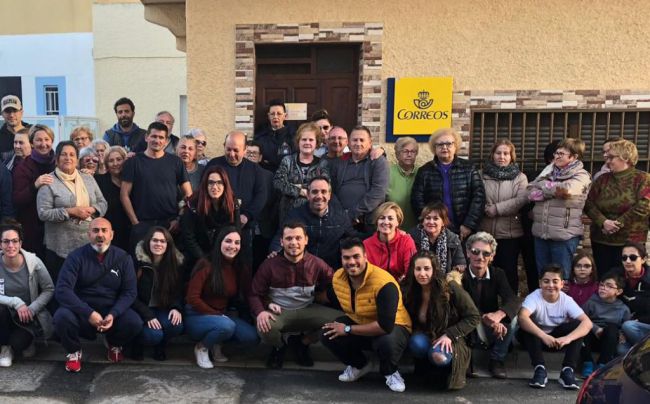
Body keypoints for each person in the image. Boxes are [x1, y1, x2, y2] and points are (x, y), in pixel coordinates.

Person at [322, 237, 413, 393]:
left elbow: (385, 326)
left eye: (356, 256)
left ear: (365, 257)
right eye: (346, 257)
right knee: (327, 333)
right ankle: (361, 365)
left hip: (394, 326)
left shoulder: (384, 283)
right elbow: (329, 297)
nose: (351, 262)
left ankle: (390, 372)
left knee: (386, 342)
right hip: (361, 320)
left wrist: (348, 329)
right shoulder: (338, 278)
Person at [53, 218, 141, 372]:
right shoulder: (76, 257)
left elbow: (130, 292)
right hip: (83, 311)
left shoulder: (123, 258)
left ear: (112, 235)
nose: (100, 235)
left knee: (134, 322)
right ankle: (73, 351)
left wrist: (114, 314)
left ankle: (114, 343)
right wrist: (89, 313)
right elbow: (62, 290)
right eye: (95, 231)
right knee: (62, 316)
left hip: (111, 312)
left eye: (104, 230)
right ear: (88, 235)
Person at [251, 222, 340, 369]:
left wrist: (326, 296)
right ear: (282, 241)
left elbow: (338, 282)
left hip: (307, 309)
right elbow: (254, 293)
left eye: (298, 238)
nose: (294, 243)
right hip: (280, 312)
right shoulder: (269, 265)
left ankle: (302, 343)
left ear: (306, 240)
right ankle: (279, 347)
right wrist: (261, 311)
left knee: (342, 321)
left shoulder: (316, 263)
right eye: (289, 238)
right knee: (264, 326)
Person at [401, 251, 479, 390]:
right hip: (426, 334)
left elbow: (473, 316)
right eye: (418, 269)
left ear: (434, 269)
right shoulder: (409, 289)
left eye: (427, 268)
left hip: (451, 336)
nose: (422, 273)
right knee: (415, 343)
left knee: (439, 357)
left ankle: (447, 372)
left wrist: (449, 334)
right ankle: (425, 369)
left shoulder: (450, 288)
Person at [185, 226, 259, 368]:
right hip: (196, 315)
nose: (232, 246)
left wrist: (260, 312)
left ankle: (216, 342)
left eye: (237, 243)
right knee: (226, 325)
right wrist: (217, 315)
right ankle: (202, 347)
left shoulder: (239, 267)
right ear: (219, 242)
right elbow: (192, 298)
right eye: (228, 241)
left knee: (251, 337)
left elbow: (249, 293)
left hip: (221, 315)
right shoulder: (206, 264)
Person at [37, 141, 107, 283]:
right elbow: (43, 213)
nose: (68, 158)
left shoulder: (88, 178)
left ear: (77, 159)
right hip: (59, 248)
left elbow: (103, 203)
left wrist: (93, 209)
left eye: (72, 155)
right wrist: (70, 211)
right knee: (62, 288)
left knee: (85, 286)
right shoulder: (48, 181)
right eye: (64, 154)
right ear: (56, 159)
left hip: (88, 245)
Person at [517, 264, 593, 390]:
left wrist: (567, 338)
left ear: (562, 284)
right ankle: (539, 369)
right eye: (546, 281)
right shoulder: (534, 297)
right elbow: (522, 317)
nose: (551, 285)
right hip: (536, 340)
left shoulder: (567, 300)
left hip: (558, 341)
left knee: (578, 327)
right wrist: (544, 336)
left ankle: (567, 371)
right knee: (527, 324)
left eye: (555, 281)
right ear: (540, 283)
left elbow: (587, 323)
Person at [120, 121, 191, 252]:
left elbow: (188, 194)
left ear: (166, 141)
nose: (157, 140)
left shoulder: (176, 162)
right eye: (154, 136)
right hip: (142, 224)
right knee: (142, 267)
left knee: (168, 267)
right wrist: (135, 223)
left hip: (170, 225)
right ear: (146, 137)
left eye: (161, 137)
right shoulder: (133, 162)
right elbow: (124, 195)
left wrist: (179, 219)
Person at [585, 139, 650, 277]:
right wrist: (604, 222)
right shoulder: (602, 179)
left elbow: (644, 205)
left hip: (630, 242)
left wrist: (617, 224)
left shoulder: (643, 178)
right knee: (605, 278)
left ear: (625, 157)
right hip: (601, 240)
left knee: (629, 278)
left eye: (611, 157)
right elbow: (589, 203)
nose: (607, 161)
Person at [528, 138, 591, 280]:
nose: (557, 156)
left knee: (561, 277)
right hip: (541, 233)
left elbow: (566, 191)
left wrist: (543, 189)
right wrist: (551, 189)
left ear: (573, 157)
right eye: (556, 153)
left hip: (564, 235)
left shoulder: (581, 175)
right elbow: (530, 191)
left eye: (562, 154)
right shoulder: (548, 172)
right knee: (543, 276)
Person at [461, 232, 519, 379]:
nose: (480, 257)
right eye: (475, 252)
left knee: (514, 319)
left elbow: (512, 299)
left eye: (486, 253)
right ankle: (466, 358)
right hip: (468, 322)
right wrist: (483, 317)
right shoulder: (460, 275)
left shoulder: (497, 274)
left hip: (491, 325)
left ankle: (496, 360)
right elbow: (460, 305)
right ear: (468, 253)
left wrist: (499, 315)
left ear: (492, 257)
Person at [206, 131, 268, 267]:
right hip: (217, 225)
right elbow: (205, 191)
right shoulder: (213, 165)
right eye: (228, 149)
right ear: (224, 146)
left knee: (243, 266)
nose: (232, 154)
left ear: (245, 150)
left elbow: (261, 196)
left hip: (244, 227)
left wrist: (247, 215)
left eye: (236, 150)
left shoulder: (255, 170)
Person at [411, 128, 485, 241]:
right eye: (440, 144)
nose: (444, 147)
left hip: (463, 230)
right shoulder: (425, 171)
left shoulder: (469, 168)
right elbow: (417, 200)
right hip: (434, 231)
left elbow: (479, 197)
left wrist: (469, 224)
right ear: (434, 148)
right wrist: (431, 224)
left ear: (455, 146)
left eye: (449, 144)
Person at [270, 176, 355, 269]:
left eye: (323, 192)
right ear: (308, 195)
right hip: (303, 270)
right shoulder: (295, 215)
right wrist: (275, 251)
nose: (319, 196)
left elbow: (352, 237)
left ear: (329, 195)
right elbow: (281, 236)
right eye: (315, 192)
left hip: (331, 271)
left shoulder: (340, 216)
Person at [0, 222, 54, 367]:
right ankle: (4, 348)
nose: (10, 245)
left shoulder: (34, 262)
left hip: (27, 317)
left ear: (20, 243)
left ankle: (25, 342)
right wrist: (15, 302)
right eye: (6, 241)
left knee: (19, 345)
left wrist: (33, 308)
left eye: (14, 241)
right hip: (5, 315)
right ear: (0, 244)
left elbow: (49, 289)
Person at [479, 139, 528, 293]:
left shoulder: (520, 177)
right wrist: (484, 208)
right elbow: (475, 196)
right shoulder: (481, 175)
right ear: (492, 155)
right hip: (485, 232)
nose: (502, 156)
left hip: (509, 233)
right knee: (486, 272)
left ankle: (510, 309)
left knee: (509, 273)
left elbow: (521, 200)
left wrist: (497, 209)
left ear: (511, 156)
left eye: (506, 153)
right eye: (498, 153)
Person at [131, 227, 184, 361]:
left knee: (176, 325)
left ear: (168, 245)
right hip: (139, 309)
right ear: (148, 241)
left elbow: (177, 291)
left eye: (163, 241)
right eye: (155, 240)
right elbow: (130, 294)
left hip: (161, 308)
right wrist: (148, 315)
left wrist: (176, 307)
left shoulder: (174, 264)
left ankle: (161, 346)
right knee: (153, 335)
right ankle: (136, 344)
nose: (158, 244)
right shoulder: (137, 263)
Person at [329, 125, 389, 232]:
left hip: (368, 219)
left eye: (362, 140)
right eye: (354, 140)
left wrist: (353, 213)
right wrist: (341, 213)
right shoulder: (339, 162)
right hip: (341, 218)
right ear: (348, 142)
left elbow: (378, 193)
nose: (358, 143)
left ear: (370, 143)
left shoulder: (378, 161)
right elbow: (331, 190)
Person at [181, 166, 240, 272]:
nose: (215, 187)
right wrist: (203, 259)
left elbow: (236, 231)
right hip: (197, 254)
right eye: (211, 183)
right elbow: (188, 236)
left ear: (225, 184)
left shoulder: (232, 203)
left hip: (223, 253)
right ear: (205, 184)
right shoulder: (193, 203)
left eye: (219, 182)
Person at [12, 124, 56, 258]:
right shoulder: (23, 167)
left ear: (51, 141)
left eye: (46, 139)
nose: (43, 144)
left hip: (57, 227)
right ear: (31, 143)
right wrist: (34, 185)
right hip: (33, 229)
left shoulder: (59, 163)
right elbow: (17, 199)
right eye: (39, 140)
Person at [273, 122, 329, 223]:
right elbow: (278, 183)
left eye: (311, 140)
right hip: (288, 214)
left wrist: (300, 187)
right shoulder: (287, 161)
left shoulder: (323, 163)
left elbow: (325, 187)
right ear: (298, 142)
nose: (307, 142)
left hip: (314, 214)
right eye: (304, 139)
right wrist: (298, 190)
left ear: (317, 143)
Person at [580, 271, 631, 377]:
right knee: (583, 328)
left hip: (609, 342)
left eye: (609, 286)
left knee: (612, 329)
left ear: (619, 291)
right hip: (591, 338)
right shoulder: (591, 302)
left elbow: (626, 325)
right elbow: (580, 318)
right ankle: (587, 362)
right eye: (602, 285)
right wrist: (595, 328)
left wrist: (622, 333)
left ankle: (603, 364)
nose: (603, 288)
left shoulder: (623, 309)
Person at [363, 202, 416, 282]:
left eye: (390, 218)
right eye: (382, 218)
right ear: (377, 221)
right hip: (376, 287)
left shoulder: (406, 241)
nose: (386, 222)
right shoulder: (366, 244)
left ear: (397, 222)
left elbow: (410, 271)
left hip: (401, 286)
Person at [408, 202, 466, 274]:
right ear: (423, 221)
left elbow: (461, 265)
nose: (431, 222)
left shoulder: (453, 239)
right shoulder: (411, 238)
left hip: (445, 282)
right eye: (428, 218)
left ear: (443, 222)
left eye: (436, 218)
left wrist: (456, 270)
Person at [94, 146, 131, 251]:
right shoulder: (99, 181)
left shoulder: (133, 180)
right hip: (108, 234)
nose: (115, 164)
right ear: (106, 164)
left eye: (119, 159)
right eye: (111, 161)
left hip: (131, 231)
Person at [617, 242, 650, 352]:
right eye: (624, 257)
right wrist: (619, 330)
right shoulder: (615, 277)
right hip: (626, 328)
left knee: (629, 326)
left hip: (645, 325)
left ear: (643, 259)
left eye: (633, 257)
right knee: (621, 350)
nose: (628, 261)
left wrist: (639, 320)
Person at [254, 99, 295, 172]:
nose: (275, 117)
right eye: (272, 114)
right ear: (268, 116)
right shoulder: (260, 137)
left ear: (285, 116)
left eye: (279, 114)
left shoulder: (293, 136)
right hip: (266, 176)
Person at [387, 137, 420, 230]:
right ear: (397, 154)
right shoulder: (387, 173)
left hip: (417, 229)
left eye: (413, 151)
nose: (409, 154)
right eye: (405, 151)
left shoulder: (422, 173)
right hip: (391, 228)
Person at [1, 95, 31, 164]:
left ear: (21, 112)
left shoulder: (34, 132)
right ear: (2, 114)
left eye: (15, 110)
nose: (11, 115)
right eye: (7, 111)